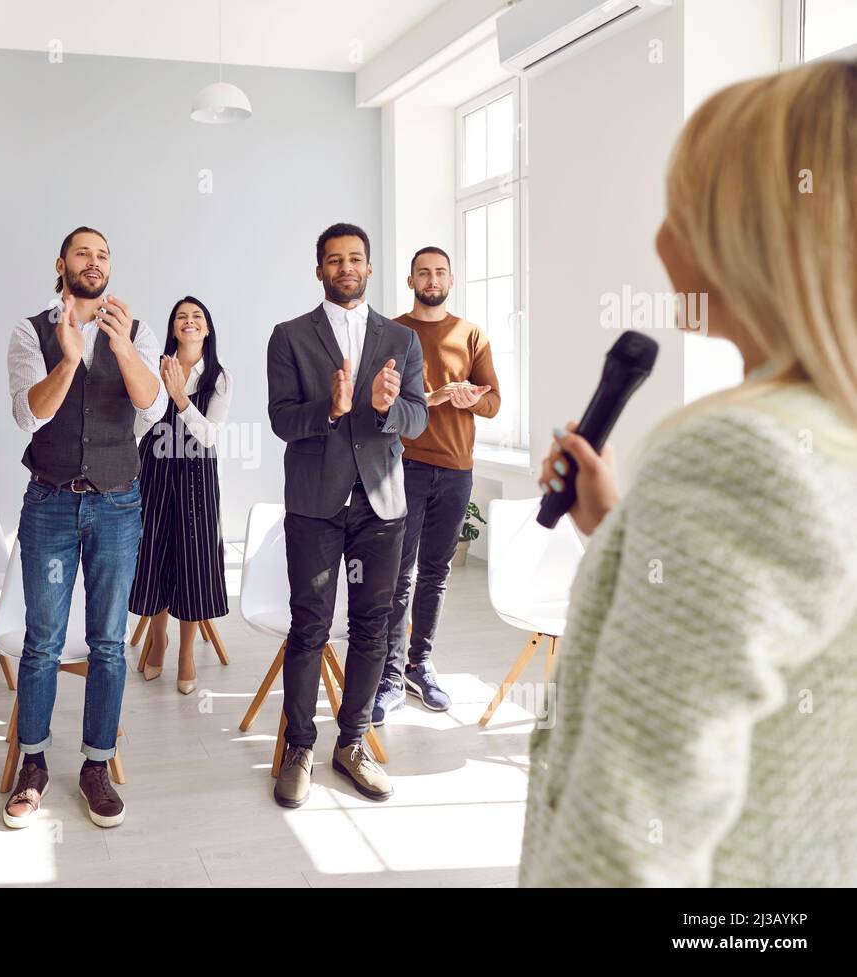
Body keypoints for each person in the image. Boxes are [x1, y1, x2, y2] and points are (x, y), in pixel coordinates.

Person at [520, 60, 857, 886]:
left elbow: (627, 841)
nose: (662, 233)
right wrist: (620, 526)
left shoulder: (737, 450)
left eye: (684, 201)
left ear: (748, 231)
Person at [3, 226, 166, 829]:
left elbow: (151, 407)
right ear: (61, 264)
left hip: (118, 504)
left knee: (107, 642)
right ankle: (34, 763)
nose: (94, 263)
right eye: (82, 254)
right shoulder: (31, 330)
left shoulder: (137, 329)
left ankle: (96, 764)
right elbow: (29, 413)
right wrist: (70, 357)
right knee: (42, 642)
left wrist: (120, 349)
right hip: (49, 502)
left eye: (103, 255)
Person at [266, 223, 428, 809]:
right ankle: (299, 750)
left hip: (381, 504)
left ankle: (352, 744)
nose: (346, 268)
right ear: (320, 270)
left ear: (369, 267)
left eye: (355, 258)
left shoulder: (401, 339)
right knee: (309, 627)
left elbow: (418, 418)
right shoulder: (288, 336)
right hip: (315, 503)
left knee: (373, 627)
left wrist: (386, 409)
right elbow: (282, 419)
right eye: (334, 260)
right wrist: (328, 409)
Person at [374, 246, 499, 723]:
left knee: (436, 574)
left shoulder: (472, 335)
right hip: (404, 466)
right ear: (410, 281)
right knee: (396, 575)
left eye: (440, 272)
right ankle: (387, 675)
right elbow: (382, 403)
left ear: (452, 279)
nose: (432, 279)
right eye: (423, 273)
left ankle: (418, 665)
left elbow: (494, 404)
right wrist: (436, 395)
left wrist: (468, 400)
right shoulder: (392, 333)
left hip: (457, 470)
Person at [129, 296, 232, 695]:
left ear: (206, 329)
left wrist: (180, 398)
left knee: (194, 562)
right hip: (154, 468)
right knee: (152, 554)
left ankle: (186, 653)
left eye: (197, 317)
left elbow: (208, 435)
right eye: (181, 317)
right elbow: (139, 425)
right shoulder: (154, 367)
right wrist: (156, 395)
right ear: (173, 328)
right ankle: (158, 639)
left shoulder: (219, 376)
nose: (189, 322)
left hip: (197, 476)